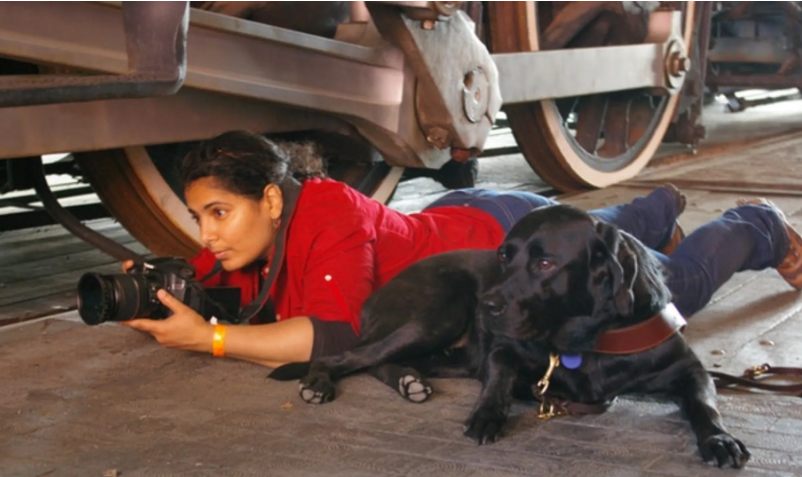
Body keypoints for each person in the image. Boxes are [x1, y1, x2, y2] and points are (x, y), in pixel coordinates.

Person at [121, 130, 802, 368]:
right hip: (453, 224)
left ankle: (758, 225)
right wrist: (159, 292)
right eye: (197, 216)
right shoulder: (251, 237)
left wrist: (209, 339)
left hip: (496, 245)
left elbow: (333, 335)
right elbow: (210, 283)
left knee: (668, 294)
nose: (206, 234)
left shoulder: (324, 208)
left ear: (270, 198)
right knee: (598, 227)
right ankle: (648, 211)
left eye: (218, 213)